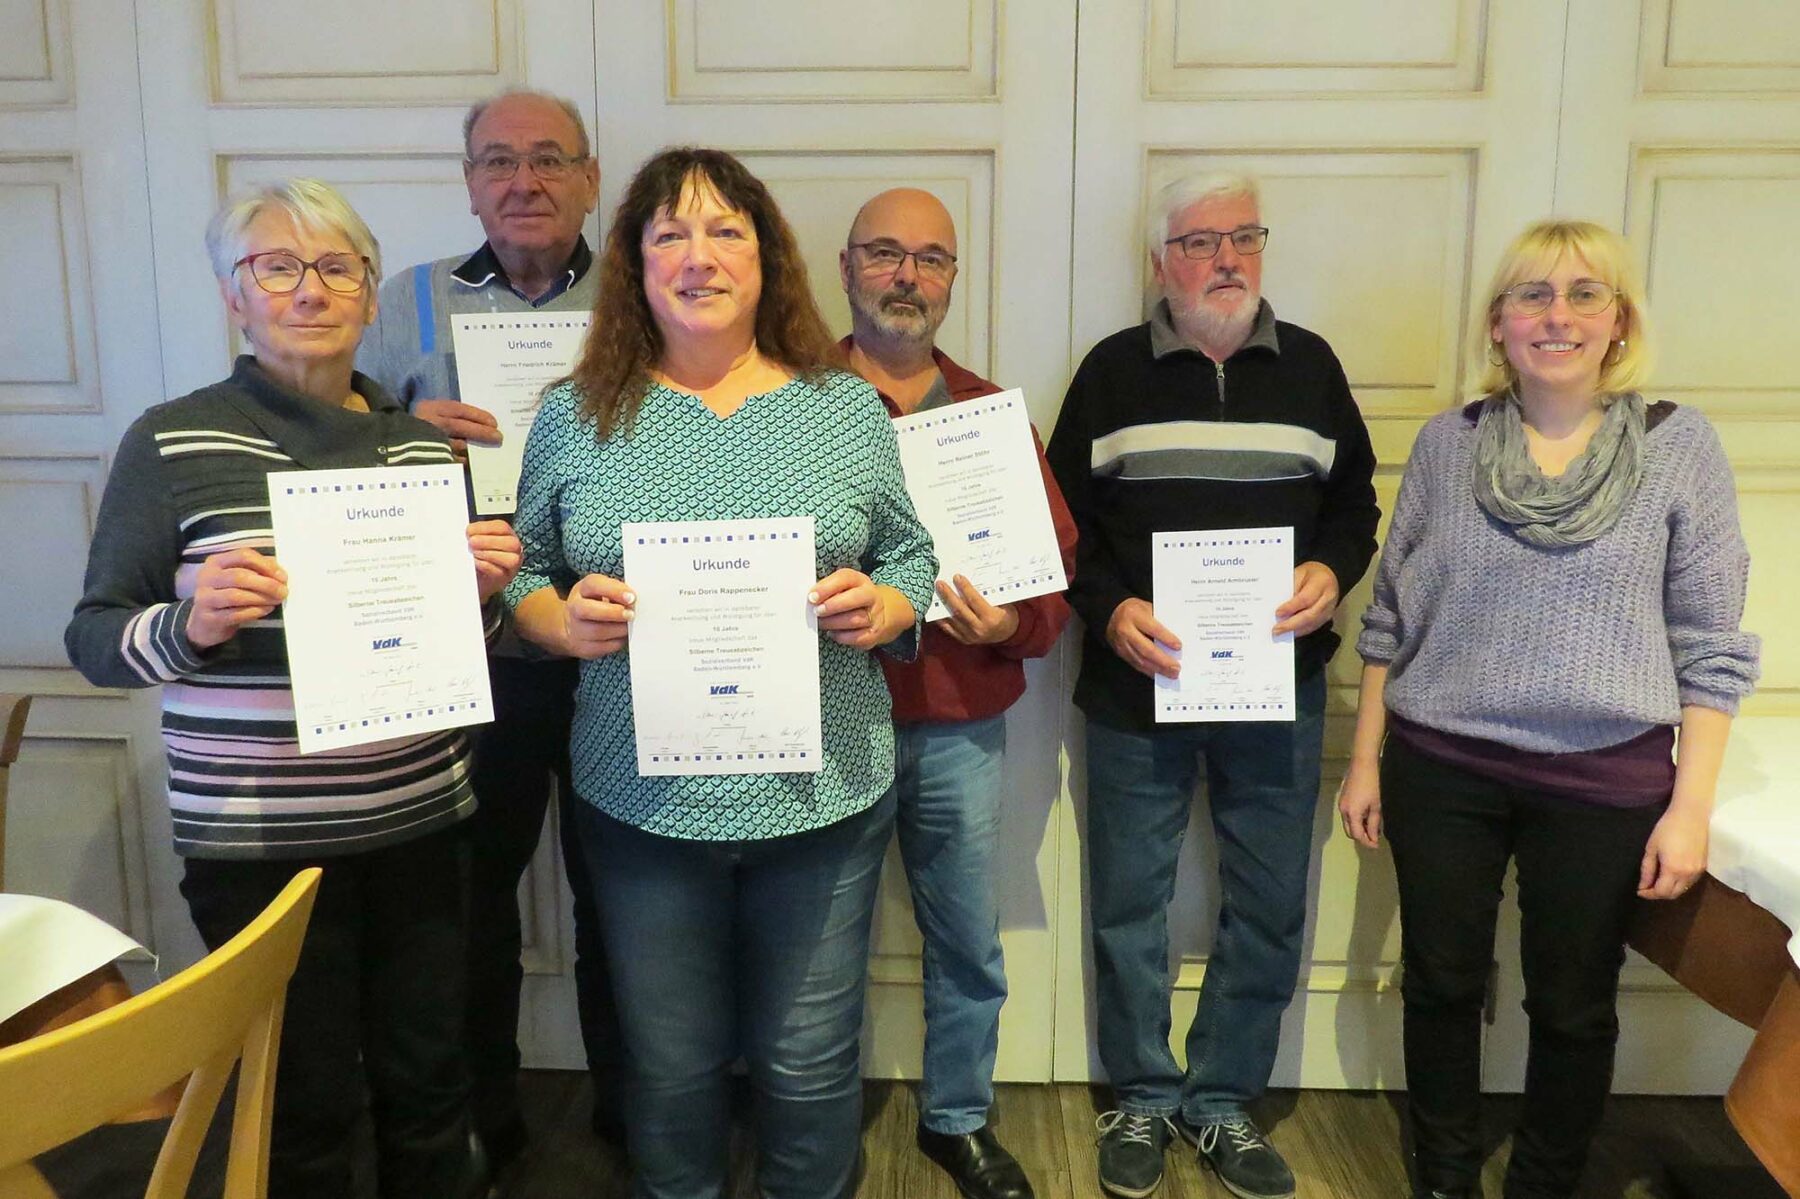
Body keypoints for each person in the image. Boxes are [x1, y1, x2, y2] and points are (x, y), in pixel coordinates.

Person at [64, 178, 522, 1199]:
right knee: (300, 1101)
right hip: (259, 849)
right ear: (235, 294)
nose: (309, 290)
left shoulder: (416, 445)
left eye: (335, 268)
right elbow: (95, 638)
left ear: (368, 295)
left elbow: (455, 645)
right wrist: (192, 622)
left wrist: (482, 601)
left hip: (421, 826)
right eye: (276, 267)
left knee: (429, 1083)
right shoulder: (173, 441)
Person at [504, 147, 938, 1199]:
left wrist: (886, 606)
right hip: (641, 800)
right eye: (671, 234)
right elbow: (522, 563)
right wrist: (557, 622)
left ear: (766, 256)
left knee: (808, 1062)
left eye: (725, 231)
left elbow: (911, 554)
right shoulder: (575, 413)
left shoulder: (843, 408)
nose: (699, 256)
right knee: (670, 1065)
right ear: (636, 263)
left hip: (824, 798)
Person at [1337, 219, 1759, 1199]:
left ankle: (1544, 1182)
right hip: (1443, 767)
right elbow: (1392, 614)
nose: (1556, 315)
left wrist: (1689, 808)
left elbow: (1710, 640)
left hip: (1604, 780)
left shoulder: (1678, 446)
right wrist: (1364, 759)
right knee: (1441, 983)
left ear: (1620, 321)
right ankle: (1445, 1174)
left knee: (1572, 1005)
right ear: (1499, 322)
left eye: (1583, 293)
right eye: (1532, 294)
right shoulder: (1448, 444)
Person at [1045, 171, 1379, 1199]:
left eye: (1244, 237)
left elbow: (1355, 507)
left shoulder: (1313, 368)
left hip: (1277, 686)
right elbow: (1063, 529)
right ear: (1162, 262)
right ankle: (1143, 1095)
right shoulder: (1110, 372)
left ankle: (1222, 1098)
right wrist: (1110, 609)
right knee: (1129, 902)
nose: (1226, 258)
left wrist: (1332, 570)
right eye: (1199, 241)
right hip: (1137, 688)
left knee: (1270, 900)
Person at [355, 87, 624, 1162]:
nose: (524, 182)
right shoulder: (407, 300)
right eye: (499, 161)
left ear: (590, 178)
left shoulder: (644, 291)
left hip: (614, 641)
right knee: (472, 898)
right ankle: (486, 1113)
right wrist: (400, 424)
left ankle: (634, 1108)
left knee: (623, 892)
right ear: (469, 183)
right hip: (473, 650)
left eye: (550, 159)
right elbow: (335, 448)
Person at [836, 187, 1076, 1199]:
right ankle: (814, 1115)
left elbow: (1054, 579)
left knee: (967, 937)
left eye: (931, 258)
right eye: (886, 253)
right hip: (828, 725)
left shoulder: (989, 417)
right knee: (815, 945)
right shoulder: (790, 403)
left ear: (951, 279)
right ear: (847, 267)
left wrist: (1007, 627)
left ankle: (959, 1116)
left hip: (957, 726)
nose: (908, 276)